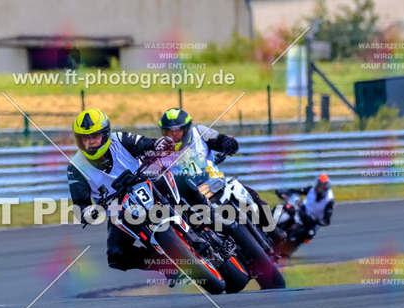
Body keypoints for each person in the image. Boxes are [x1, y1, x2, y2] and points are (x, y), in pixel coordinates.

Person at [156, 108, 286, 244]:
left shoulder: (199, 132)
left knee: (248, 193)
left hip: (215, 180)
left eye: (178, 130)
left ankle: (273, 230)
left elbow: (219, 139)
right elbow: (158, 177)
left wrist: (227, 142)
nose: (174, 134)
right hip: (193, 197)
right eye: (169, 131)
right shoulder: (160, 152)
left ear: (186, 128)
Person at [67, 108, 174, 271]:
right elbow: (80, 205)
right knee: (117, 256)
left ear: (105, 134)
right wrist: (88, 213)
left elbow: (147, 144)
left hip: (145, 184)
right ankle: (166, 265)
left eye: (95, 136)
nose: (90, 142)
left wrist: (158, 144)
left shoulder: (121, 140)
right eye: (85, 138)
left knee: (181, 181)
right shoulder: (75, 167)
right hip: (118, 211)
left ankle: (210, 223)